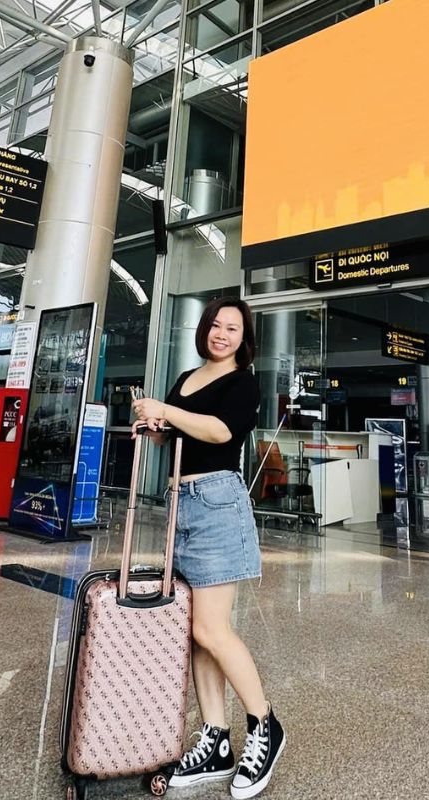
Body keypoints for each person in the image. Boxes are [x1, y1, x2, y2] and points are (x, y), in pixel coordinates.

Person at [131, 297, 285, 800]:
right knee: (195, 636)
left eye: (232, 328)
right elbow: (174, 435)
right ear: (204, 330)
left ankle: (264, 725)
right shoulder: (186, 378)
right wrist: (151, 426)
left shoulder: (244, 382)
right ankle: (216, 738)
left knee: (211, 628)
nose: (222, 334)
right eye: (216, 325)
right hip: (181, 503)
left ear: (245, 338)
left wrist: (168, 409)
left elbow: (220, 432)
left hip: (218, 504)